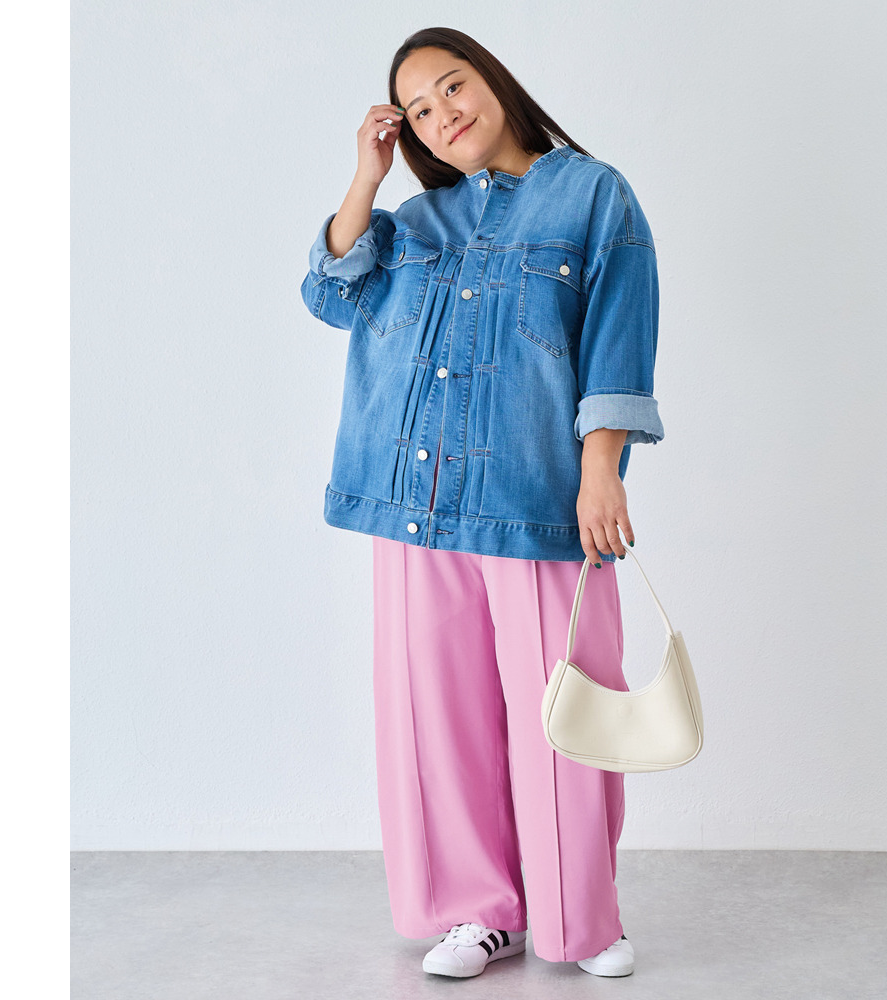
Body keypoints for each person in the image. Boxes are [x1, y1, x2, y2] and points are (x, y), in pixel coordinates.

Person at [299, 26, 664, 980]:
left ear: (494, 80)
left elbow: (618, 339)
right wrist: (368, 175)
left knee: (567, 712)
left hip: (536, 502)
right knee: (441, 718)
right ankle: (479, 913)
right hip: (413, 504)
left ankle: (581, 919)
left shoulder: (593, 195)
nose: (442, 115)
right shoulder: (417, 221)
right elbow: (330, 292)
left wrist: (602, 469)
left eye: (452, 87)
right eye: (419, 109)